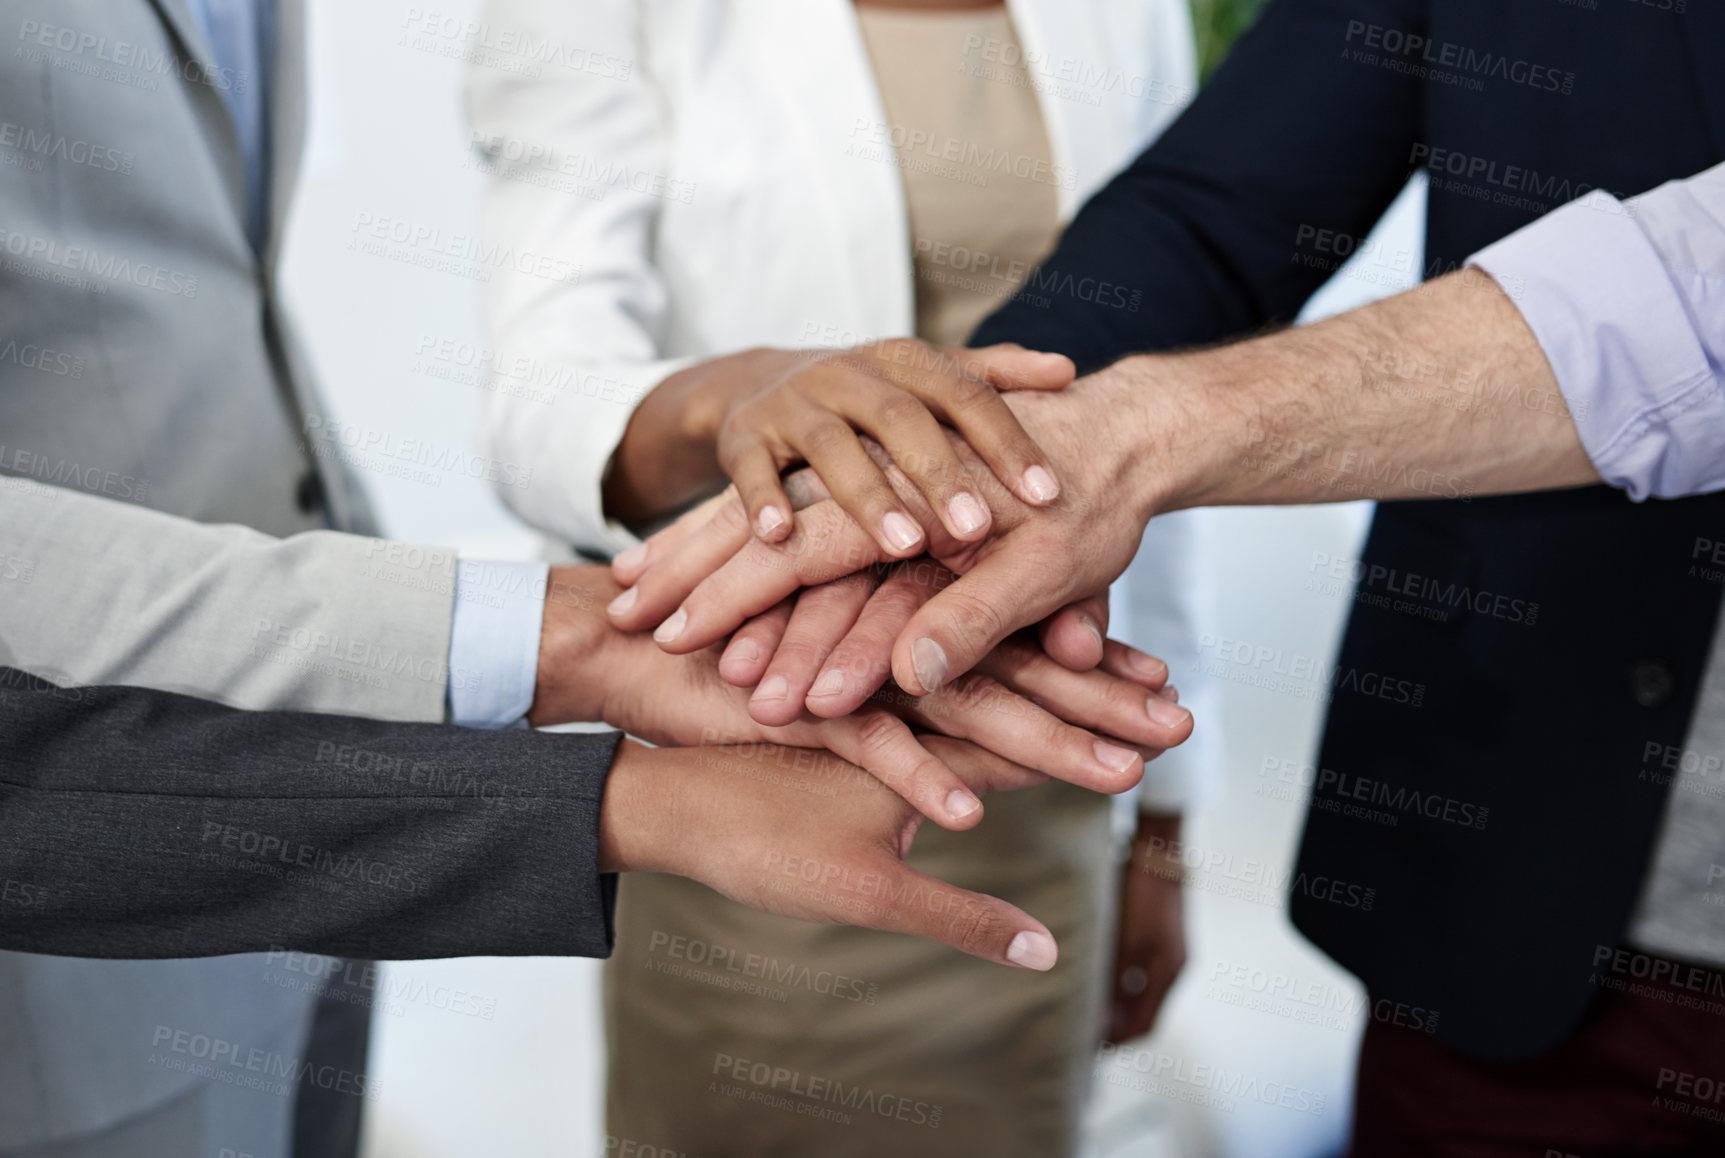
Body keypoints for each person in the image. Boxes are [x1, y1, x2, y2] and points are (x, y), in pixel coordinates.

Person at [611, 1, 1725, 1149]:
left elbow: (1686, 309)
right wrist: (948, 478)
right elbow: (1221, 213)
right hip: (1528, 877)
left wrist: (1128, 440)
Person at [466, 0, 1206, 1151]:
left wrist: (1164, 821)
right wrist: (747, 393)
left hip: (1041, 791)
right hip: (767, 759)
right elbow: (534, 401)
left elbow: (1143, 430)